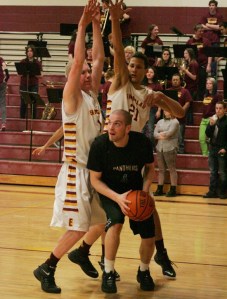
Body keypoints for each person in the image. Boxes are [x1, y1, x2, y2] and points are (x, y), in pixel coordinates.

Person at [72, 0, 185, 282]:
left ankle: (157, 251)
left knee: (146, 205)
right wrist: (113, 16)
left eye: (138, 67)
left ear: (147, 71)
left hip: (134, 148)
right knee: (112, 214)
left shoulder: (148, 92)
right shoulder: (120, 79)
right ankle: (104, 254)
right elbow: (119, 50)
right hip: (112, 144)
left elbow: (180, 112)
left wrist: (163, 97)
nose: (132, 69)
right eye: (131, 65)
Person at [33, 0, 106, 293]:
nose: (88, 73)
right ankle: (46, 267)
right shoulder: (71, 98)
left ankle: (82, 253)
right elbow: (79, 62)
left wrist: (98, 25)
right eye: (83, 72)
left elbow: (98, 60)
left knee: (104, 222)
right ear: (72, 77)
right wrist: (82, 26)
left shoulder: (91, 98)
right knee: (77, 227)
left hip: (93, 174)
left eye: (89, 72)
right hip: (76, 173)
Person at [88, 109, 156, 293]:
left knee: (149, 236)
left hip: (135, 191)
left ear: (127, 128)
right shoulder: (100, 145)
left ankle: (144, 271)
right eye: (109, 123)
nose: (111, 127)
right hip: (110, 192)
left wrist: (145, 191)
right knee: (115, 223)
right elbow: (95, 180)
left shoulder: (142, 143)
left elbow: (150, 168)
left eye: (117, 124)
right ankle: (108, 272)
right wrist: (117, 198)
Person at [203, 101, 227, 199]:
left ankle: (222, 192)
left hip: (222, 149)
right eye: (216, 108)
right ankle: (212, 192)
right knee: (213, 172)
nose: (218, 110)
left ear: (225, 109)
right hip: (213, 148)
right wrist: (211, 125)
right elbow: (208, 134)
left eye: (220, 108)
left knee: (222, 172)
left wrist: (225, 148)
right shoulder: (213, 119)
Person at [153, 110, 179, 197]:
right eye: (164, 110)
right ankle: (159, 188)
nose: (165, 111)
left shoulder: (175, 122)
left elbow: (169, 133)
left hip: (170, 147)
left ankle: (173, 189)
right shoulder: (160, 121)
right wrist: (161, 135)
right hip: (160, 147)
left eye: (167, 110)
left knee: (172, 169)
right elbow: (154, 134)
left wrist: (160, 134)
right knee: (161, 169)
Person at [168, 73, 192, 154]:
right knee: (169, 136)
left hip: (180, 119)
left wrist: (181, 111)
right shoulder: (168, 91)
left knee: (180, 137)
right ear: (171, 81)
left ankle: (181, 151)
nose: (175, 81)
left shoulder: (185, 91)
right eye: (173, 80)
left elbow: (188, 103)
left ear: (180, 81)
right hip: (169, 118)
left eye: (177, 80)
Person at [187, 23, 212, 101]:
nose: (202, 33)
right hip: (193, 66)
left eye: (202, 31)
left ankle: (200, 100)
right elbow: (186, 53)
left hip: (203, 65)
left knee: (202, 83)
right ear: (195, 31)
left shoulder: (206, 41)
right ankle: (191, 99)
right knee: (192, 84)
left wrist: (208, 65)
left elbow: (210, 54)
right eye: (200, 31)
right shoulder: (190, 41)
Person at [199, 77, 223, 156]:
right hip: (204, 119)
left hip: (212, 119)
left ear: (214, 85)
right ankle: (205, 155)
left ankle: (212, 156)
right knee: (201, 139)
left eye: (210, 83)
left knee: (212, 140)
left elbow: (220, 108)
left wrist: (215, 117)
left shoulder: (217, 96)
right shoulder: (205, 95)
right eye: (207, 83)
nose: (208, 85)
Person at [199, 0, 223, 78]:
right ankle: (204, 75)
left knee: (214, 59)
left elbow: (219, 27)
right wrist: (213, 27)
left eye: (213, 5)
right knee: (206, 57)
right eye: (210, 5)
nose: (211, 7)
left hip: (215, 40)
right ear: (208, 6)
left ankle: (213, 76)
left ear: (216, 6)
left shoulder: (219, 16)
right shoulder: (204, 15)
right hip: (206, 40)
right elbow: (202, 26)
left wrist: (208, 25)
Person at [19, 45, 42, 119]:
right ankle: (22, 119)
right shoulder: (23, 62)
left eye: (31, 51)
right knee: (23, 102)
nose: (29, 53)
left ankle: (33, 120)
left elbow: (41, 75)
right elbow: (18, 74)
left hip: (33, 85)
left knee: (33, 103)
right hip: (24, 84)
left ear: (33, 52)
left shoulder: (37, 63)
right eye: (28, 51)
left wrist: (35, 72)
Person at [142, 66, 162, 148]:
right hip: (142, 109)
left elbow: (160, 100)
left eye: (151, 72)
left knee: (150, 130)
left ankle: (152, 147)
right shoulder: (142, 84)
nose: (149, 73)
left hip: (152, 109)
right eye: (148, 72)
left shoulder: (157, 85)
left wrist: (159, 110)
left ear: (154, 74)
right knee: (142, 130)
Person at [180, 47, 199, 125]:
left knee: (189, 108)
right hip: (189, 87)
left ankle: (189, 123)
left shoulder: (193, 63)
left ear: (190, 54)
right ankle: (188, 123)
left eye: (186, 53)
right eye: (184, 53)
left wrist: (185, 70)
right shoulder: (190, 63)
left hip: (192, 88)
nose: (184, 55)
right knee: (189, 107)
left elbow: (194, 77)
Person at [0, 56, 9, 131]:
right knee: (2, 104)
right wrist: (6, 77)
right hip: (1, 82)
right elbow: (4, 67)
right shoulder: (0, 59)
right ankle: (3, 123)